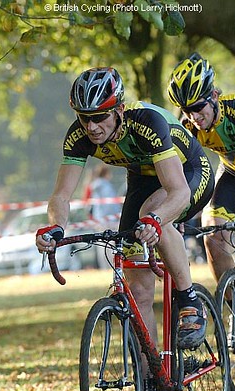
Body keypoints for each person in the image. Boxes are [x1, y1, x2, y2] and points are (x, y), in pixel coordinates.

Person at [36, 66, 215, 357]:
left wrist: (156, 221)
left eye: (99, 117)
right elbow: (61, 195)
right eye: (84, 118)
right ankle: (152, 384)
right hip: (143, 178)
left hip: (187, 173)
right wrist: (55, 227)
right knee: (139, 292)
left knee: (153, 212)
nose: (91, 127)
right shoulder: (78, 137)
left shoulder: (146, 122)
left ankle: (189, 299)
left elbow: (178, 192)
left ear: (119, 109)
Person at [167, 53, 235, 284]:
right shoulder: (189, 128)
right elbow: (182, 172)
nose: (193, 116)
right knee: (213, 235)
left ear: (214, 96)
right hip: (234, 178)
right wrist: (179, 211)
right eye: (186, 110)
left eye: (197, 107)